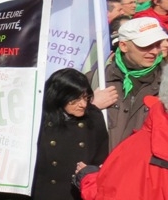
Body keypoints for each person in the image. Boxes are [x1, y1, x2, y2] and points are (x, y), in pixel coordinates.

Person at [74, 63, 168, 199]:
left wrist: (89, 178)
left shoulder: (140, 148)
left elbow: (112, 194)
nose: (154, 51)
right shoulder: (97, 77)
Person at [90, 17, 168, 151]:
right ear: (124, 46)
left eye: (157, 44)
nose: (155, 51)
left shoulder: (165, 83)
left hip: (143, 170)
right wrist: (91, 108)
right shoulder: (96, 79)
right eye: (146, 45)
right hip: (100, 169)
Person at [31, 68, 108, 200]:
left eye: (86, 97)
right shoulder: (37, 118)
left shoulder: (94, 117)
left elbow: (101, 159)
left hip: (75, 194)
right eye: (75, 99)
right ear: (59, 96)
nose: (83, 104)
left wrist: (89, 171)